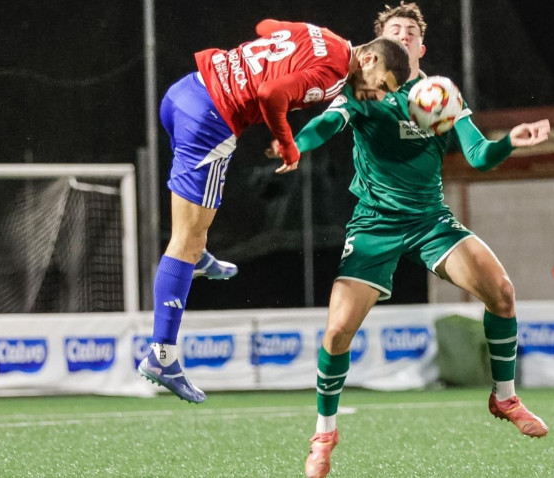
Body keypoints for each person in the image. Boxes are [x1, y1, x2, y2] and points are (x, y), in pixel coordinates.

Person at [267, 4, 549, 477]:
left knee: (501, 293)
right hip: (374, 222)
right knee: (336, 333)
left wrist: (509, 141)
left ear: (420, 47)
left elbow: (478, 155)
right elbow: (326, 124)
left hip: (430, 220)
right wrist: (297, 144)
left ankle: (505, 398)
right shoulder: (360, 89)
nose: (401, 38)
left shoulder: (438, 94)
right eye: (392, 32)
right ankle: (323, 434)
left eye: (410, 32)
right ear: (375, 49)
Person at [138, 19, 411, 404]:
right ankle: (161, 355)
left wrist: (273, 60)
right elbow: (270, 93)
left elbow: (266, 27)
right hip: (210, 119)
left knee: (191, 233)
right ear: (368, 58)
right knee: (185, 241)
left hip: (185, 91)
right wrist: (288, 144)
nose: (377, 94)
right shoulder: (334, 73)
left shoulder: (324, 36)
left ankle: (195, 258)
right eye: (381, 84)